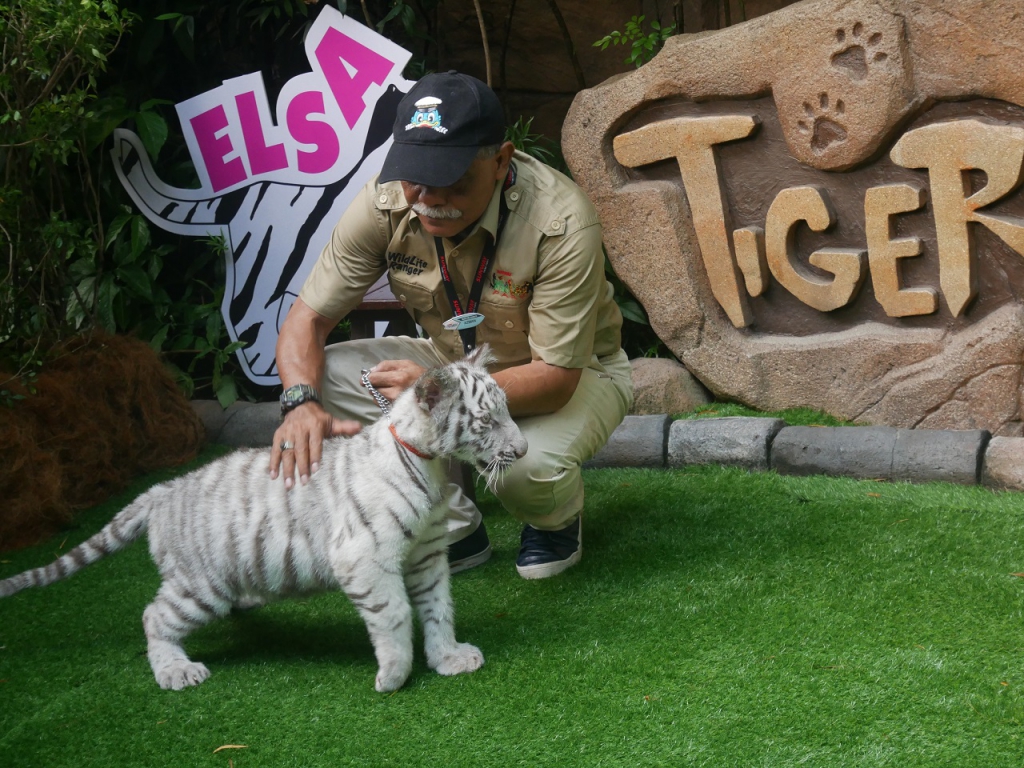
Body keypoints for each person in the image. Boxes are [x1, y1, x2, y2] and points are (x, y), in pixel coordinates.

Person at [269, 71, 632, 579]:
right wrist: (299, 405)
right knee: (320, 379)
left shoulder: (560, 220)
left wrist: (443, 391)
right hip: (451, 360)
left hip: (576, 373)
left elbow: (555, 378)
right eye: (416, 174)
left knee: (523, 472)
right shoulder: (387, 201)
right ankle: (454, 529)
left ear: (501, 160)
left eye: (451, 176)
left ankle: (554, 518)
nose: (428, 195)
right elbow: (307, 320)